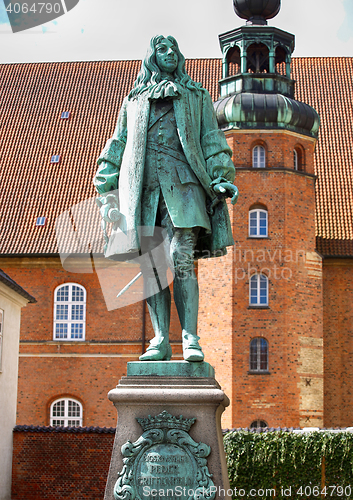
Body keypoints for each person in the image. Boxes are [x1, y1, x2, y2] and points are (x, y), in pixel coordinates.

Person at [93, 35, 238, 362]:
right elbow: (116, 148)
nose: (170, 53)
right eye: (162, 48)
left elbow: (212, 142)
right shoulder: (134, 101)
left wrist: (221, 177)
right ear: (152, 58)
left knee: (180, 258)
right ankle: (160, 339)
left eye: (174, 48)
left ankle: (190, 337)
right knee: (152, 267)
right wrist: (107, 193)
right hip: (142, 192)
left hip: (185, 187)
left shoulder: (196, 96)